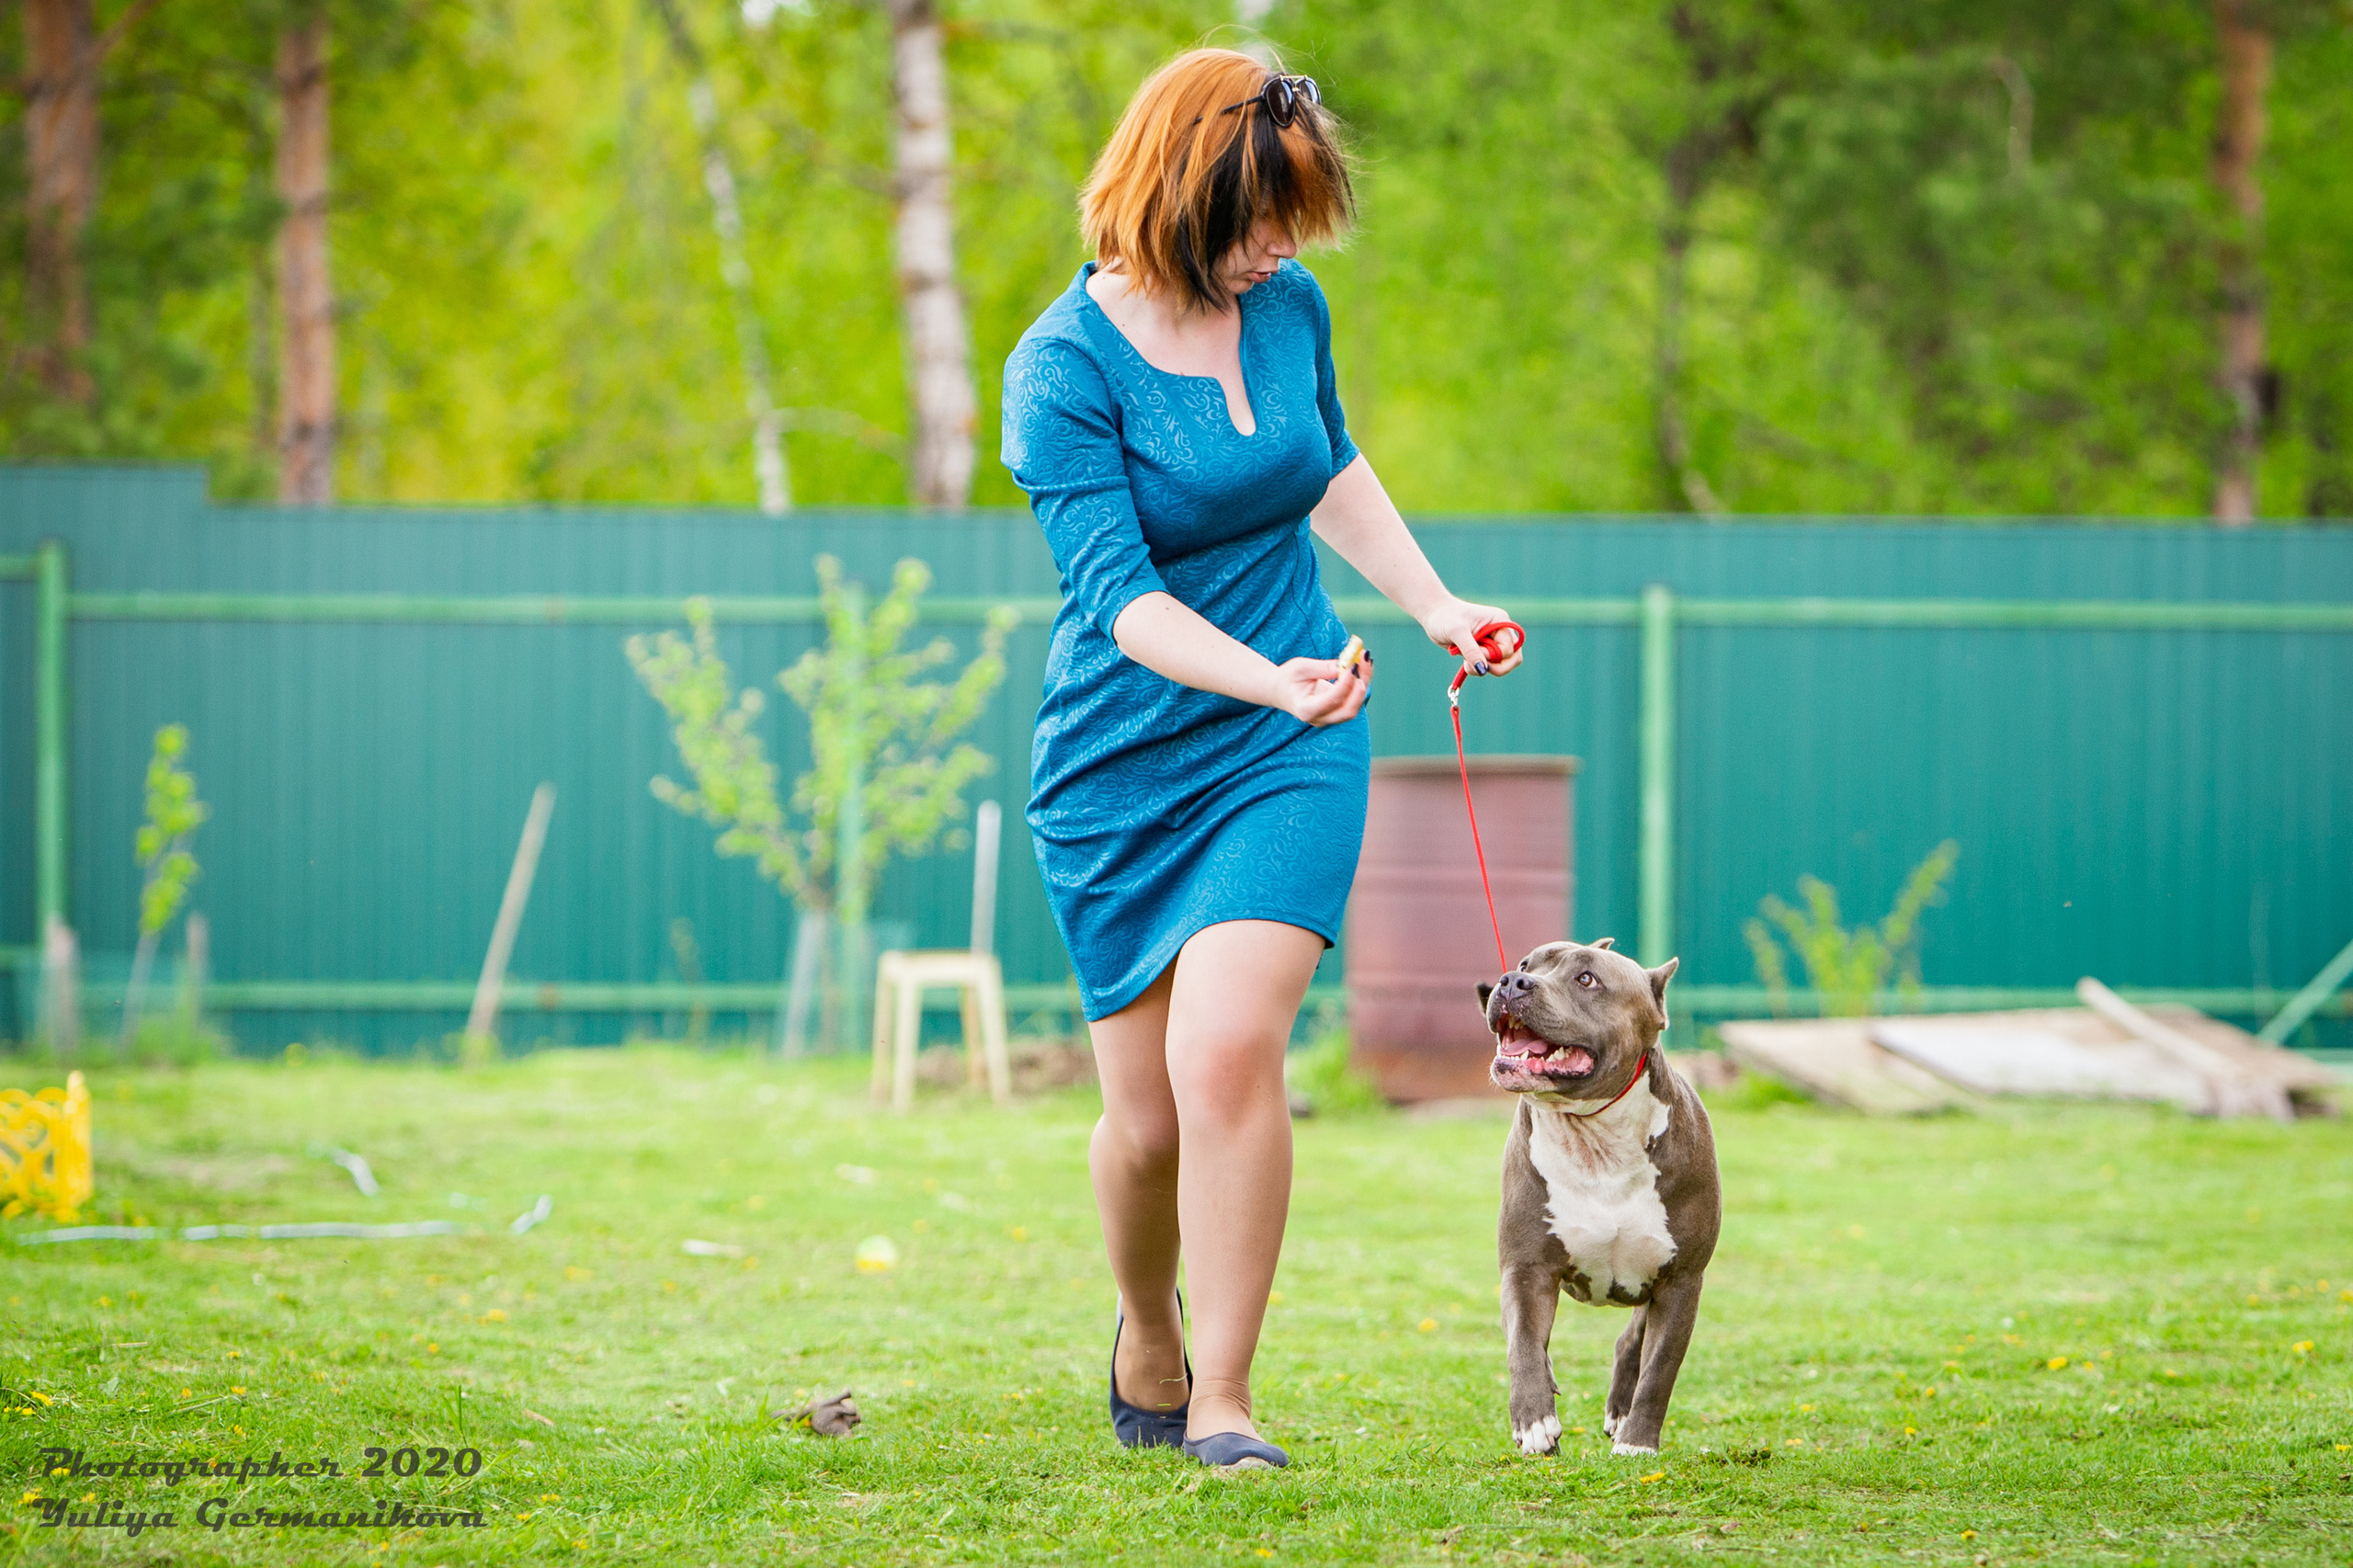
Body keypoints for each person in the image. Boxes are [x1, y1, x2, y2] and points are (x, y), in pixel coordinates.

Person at [1000, 46, 1522, 1471]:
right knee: (1146, 1123)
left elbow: (1328, 466)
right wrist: (1263, 681)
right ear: (1174, 196)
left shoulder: (1289, 308)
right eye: (1256, 220)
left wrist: (1434, 605)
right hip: (1120, 764)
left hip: (1290, 750)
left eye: (1297, 216)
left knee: (1229, 1048)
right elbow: (1121, 597)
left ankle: (1222, 1394)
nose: (1281, 247)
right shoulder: (1060, 368)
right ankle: (1143, 1326)